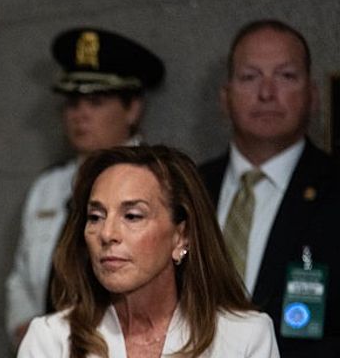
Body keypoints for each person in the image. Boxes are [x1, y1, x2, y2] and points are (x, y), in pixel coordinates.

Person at [19, 145, 278, 357]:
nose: (107, 234)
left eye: (132, 216)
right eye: (96, 216)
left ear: (181, 236)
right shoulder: (51, 340)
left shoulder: (244, 337)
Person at [5, 27, 164, 344]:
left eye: (96, 101)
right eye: (72, 102)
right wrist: (28, 332)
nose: (80, 114)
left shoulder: (161, 182)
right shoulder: (48, 189)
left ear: (132, 108)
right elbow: (22, 277)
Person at [199, 19, 340, 357]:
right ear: (225, 96)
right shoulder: (187, 189)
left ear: (313, 95)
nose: (266, 93)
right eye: (250, 77)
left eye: (285, 76)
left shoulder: (335, 190)